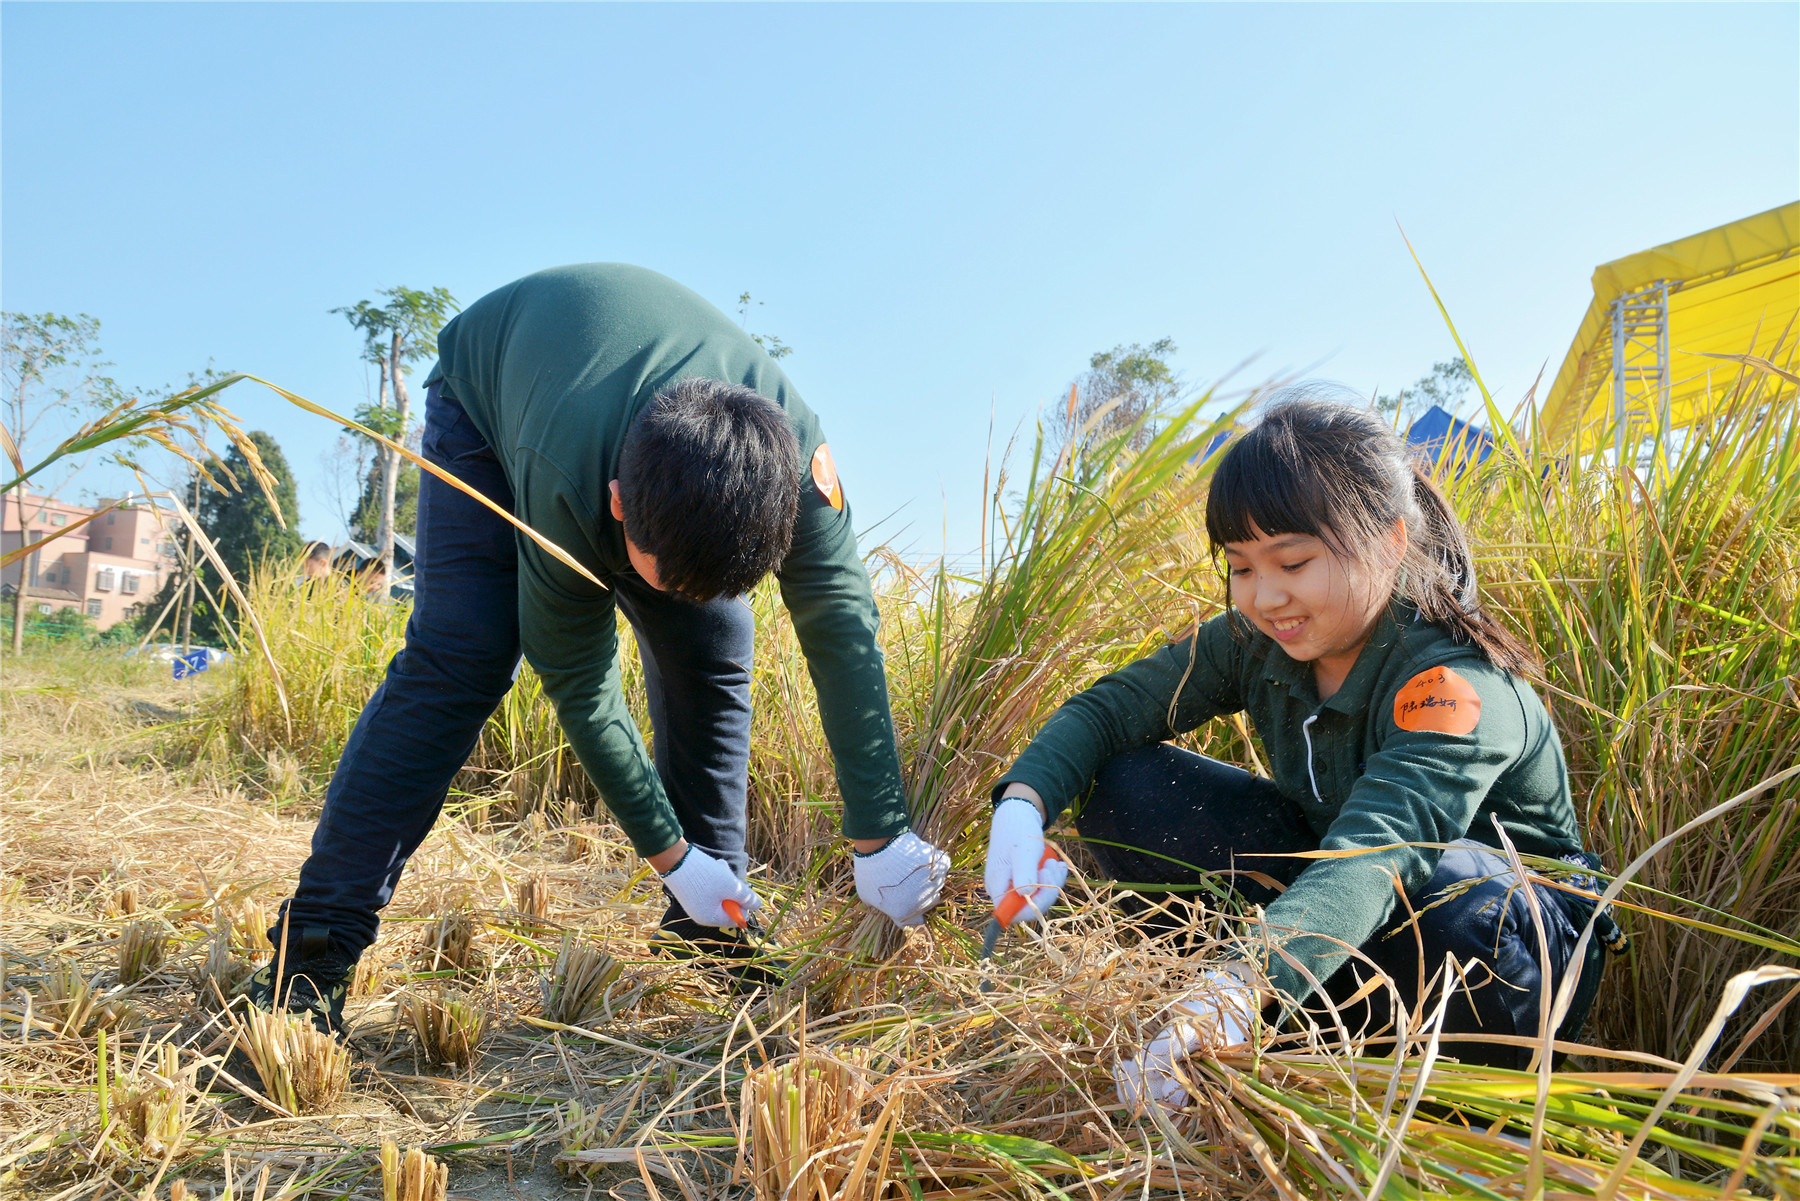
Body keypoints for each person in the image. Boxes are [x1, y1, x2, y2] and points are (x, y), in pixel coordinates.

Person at [251, 264, 948, 1032]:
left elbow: (842, 622)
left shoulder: (796, 464)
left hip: (623, 409)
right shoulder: (566, 482)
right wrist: (671, 856)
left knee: (715, 636)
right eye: (664, 578)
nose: (670, 598)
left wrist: (882, 831)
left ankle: (712, 932)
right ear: (617, 505)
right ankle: (313, 950)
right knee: (466, 653)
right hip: (490, 397)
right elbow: (580, 682)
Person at [982, 393, 1619, 1112]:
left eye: (1292, 561)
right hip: (1339, 897)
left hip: (1498, 950)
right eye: (1242, 567)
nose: (1265, 596)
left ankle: (1449, 1098)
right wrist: (1023, 803)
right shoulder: (1255, 640)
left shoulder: (1454, 683)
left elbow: (1381, 852)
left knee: (1461, 899)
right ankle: (1261, 1031)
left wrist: (1243, 982)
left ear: (1389, 541)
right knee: (1127, 782)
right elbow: (1109, 709)